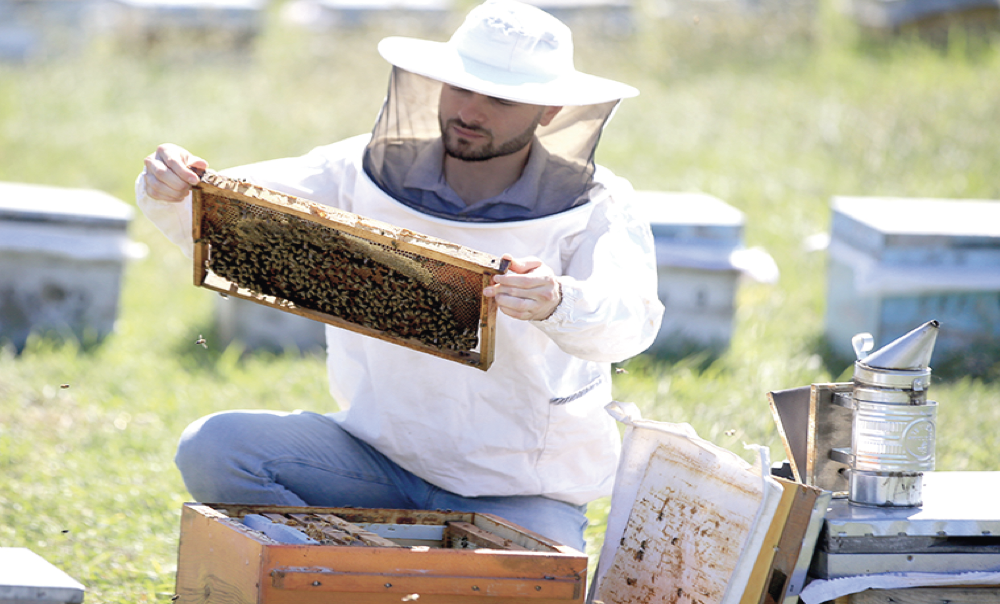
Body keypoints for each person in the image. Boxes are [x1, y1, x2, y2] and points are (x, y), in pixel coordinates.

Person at [136, 0, 664, 552]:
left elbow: (630, 322)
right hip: (374, 459)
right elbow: (223, 212)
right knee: (217, 447)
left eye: (501, 99)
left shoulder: (598, 205)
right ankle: (348, 571)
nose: (471, 110)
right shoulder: (355, 170)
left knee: (537, 581)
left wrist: (560, 301)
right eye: (459, 87)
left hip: (517, 488)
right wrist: (171, 185)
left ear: (550, 110)